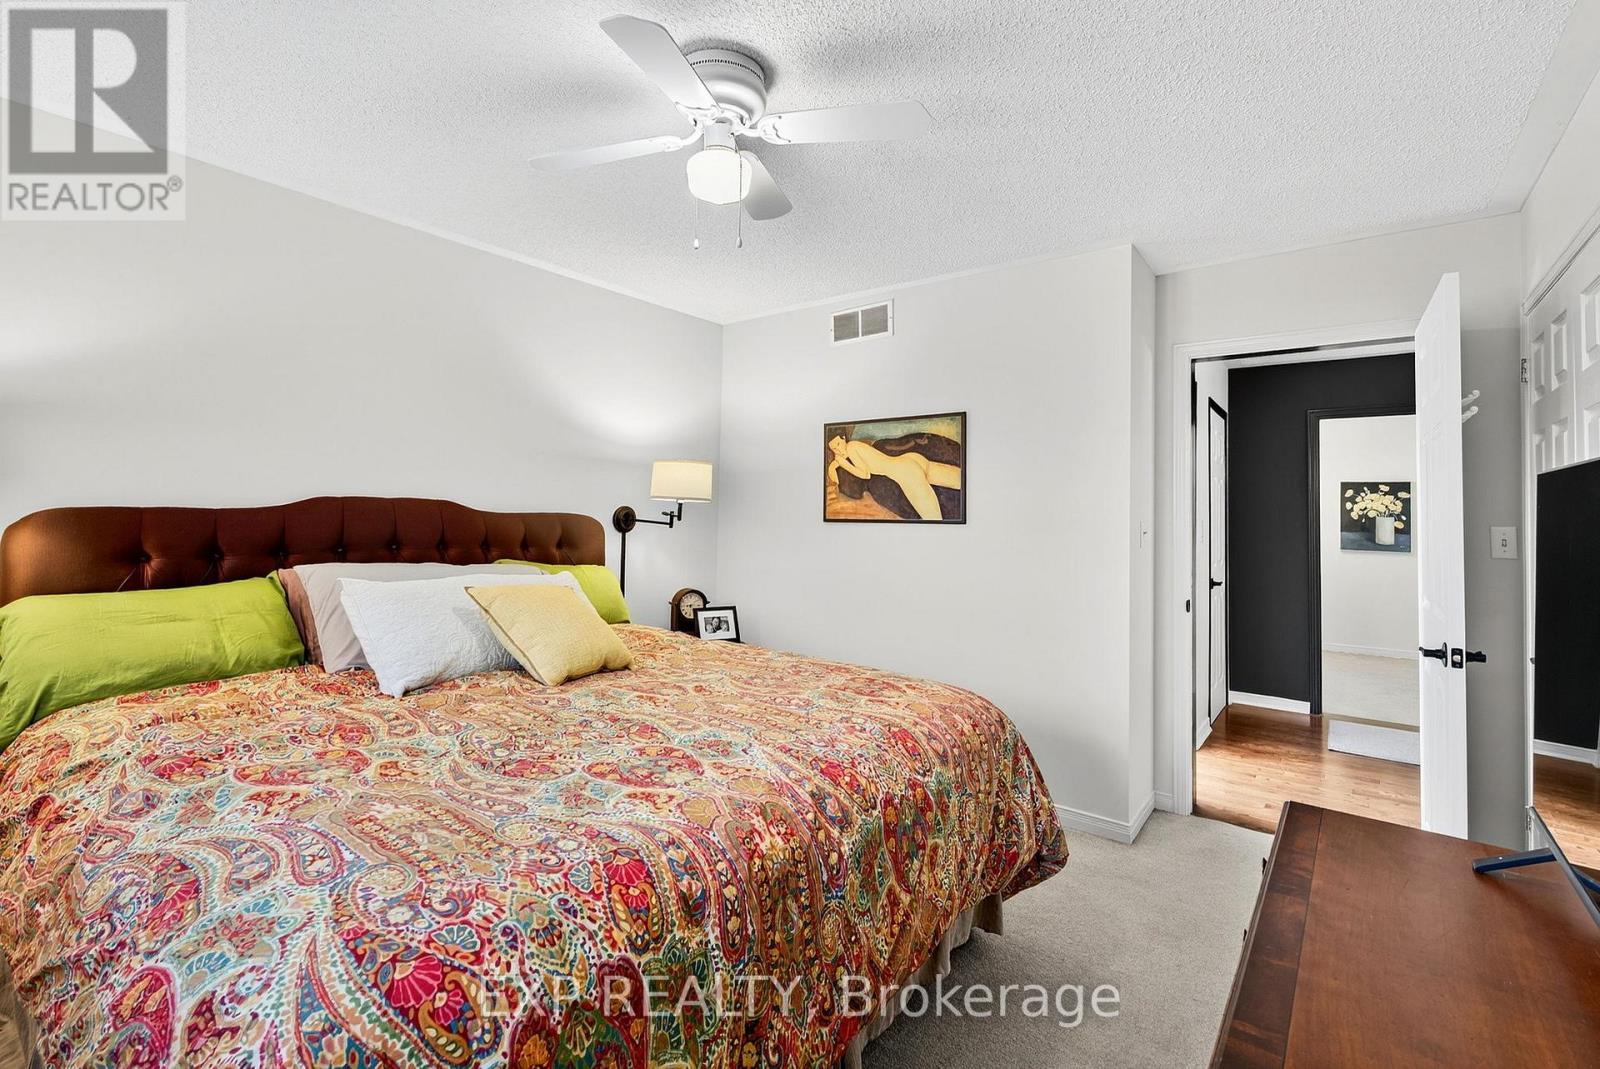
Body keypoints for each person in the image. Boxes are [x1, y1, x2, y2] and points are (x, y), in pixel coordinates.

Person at [826, 434, 962, 521]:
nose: (837, 450)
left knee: (934, 520)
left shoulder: (850, 448)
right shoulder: (854, 445)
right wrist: (834, 464)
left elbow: (865, 474)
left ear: (844, 438)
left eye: (838, 444)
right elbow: (835, 477)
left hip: (904, 472)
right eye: (834, 449)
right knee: (962, 480)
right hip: (910, 460)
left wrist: (843, 464)